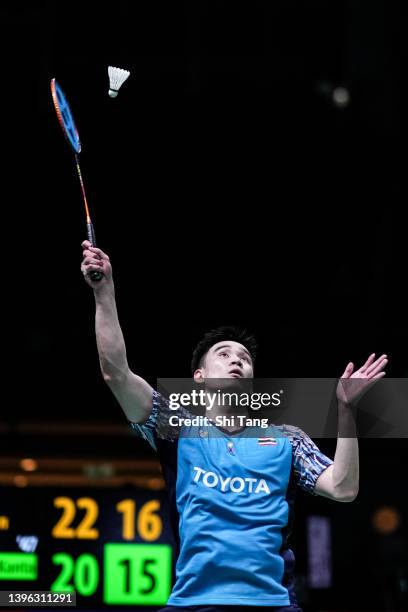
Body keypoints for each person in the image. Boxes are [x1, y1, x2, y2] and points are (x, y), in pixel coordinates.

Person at [81, 240, 388, 612]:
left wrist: (346, 410)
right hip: (192, 603)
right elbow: (116, 373)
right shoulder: (177, 430)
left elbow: (342, 487)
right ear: (199, 376)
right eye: (223, 355)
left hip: (271, 604)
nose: (236, 362)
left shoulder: (286, 441)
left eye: (243, 358)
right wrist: (104, 291)